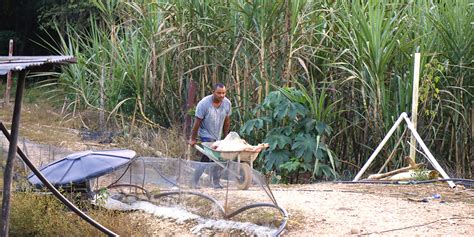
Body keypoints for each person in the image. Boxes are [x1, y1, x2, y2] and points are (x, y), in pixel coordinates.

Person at [189, 83, 231, 189]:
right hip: (205, 134)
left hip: (217, 136)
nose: (221, 95)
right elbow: (197, 122)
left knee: (218, 158)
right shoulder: (204, 104)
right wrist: (192, 138)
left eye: (223, 93)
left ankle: (211, 181)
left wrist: (226, 138)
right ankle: (205, 182)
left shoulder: (227, 103)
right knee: (209, 157)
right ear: (213, 92)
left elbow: (227, 121)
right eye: (219, 93)